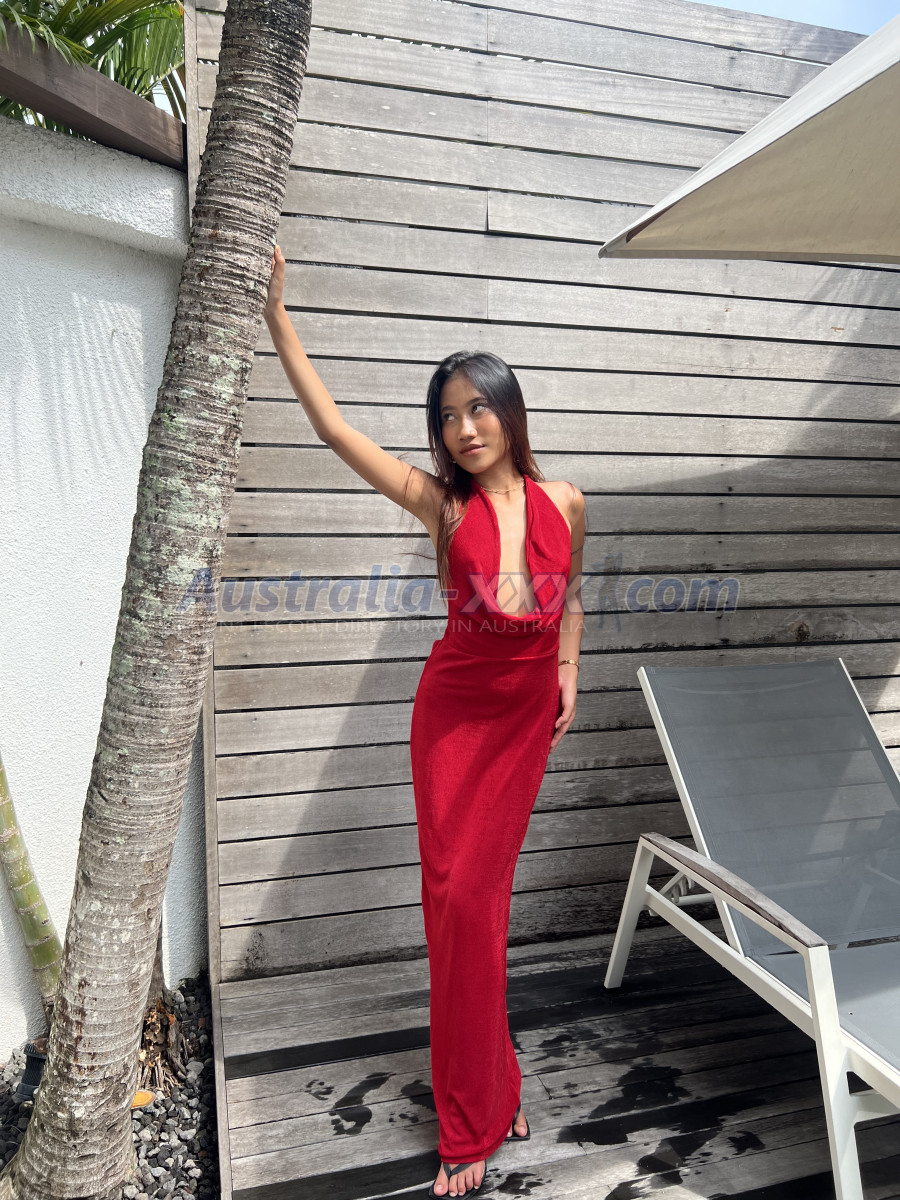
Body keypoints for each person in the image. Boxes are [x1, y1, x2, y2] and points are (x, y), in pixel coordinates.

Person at [264, 245, 585, 1197]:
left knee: (482, 908)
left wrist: (569, 670)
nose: (463, 428)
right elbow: (333, 429)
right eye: (446, 417)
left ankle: (492, 1083)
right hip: (453, 721)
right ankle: (473, 1114)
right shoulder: (440, 505)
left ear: (509, 410)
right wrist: (278, 316)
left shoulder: (567, 501)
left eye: (477, 408)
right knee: (457, 908)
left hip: (522, 722)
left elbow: (573, 598)